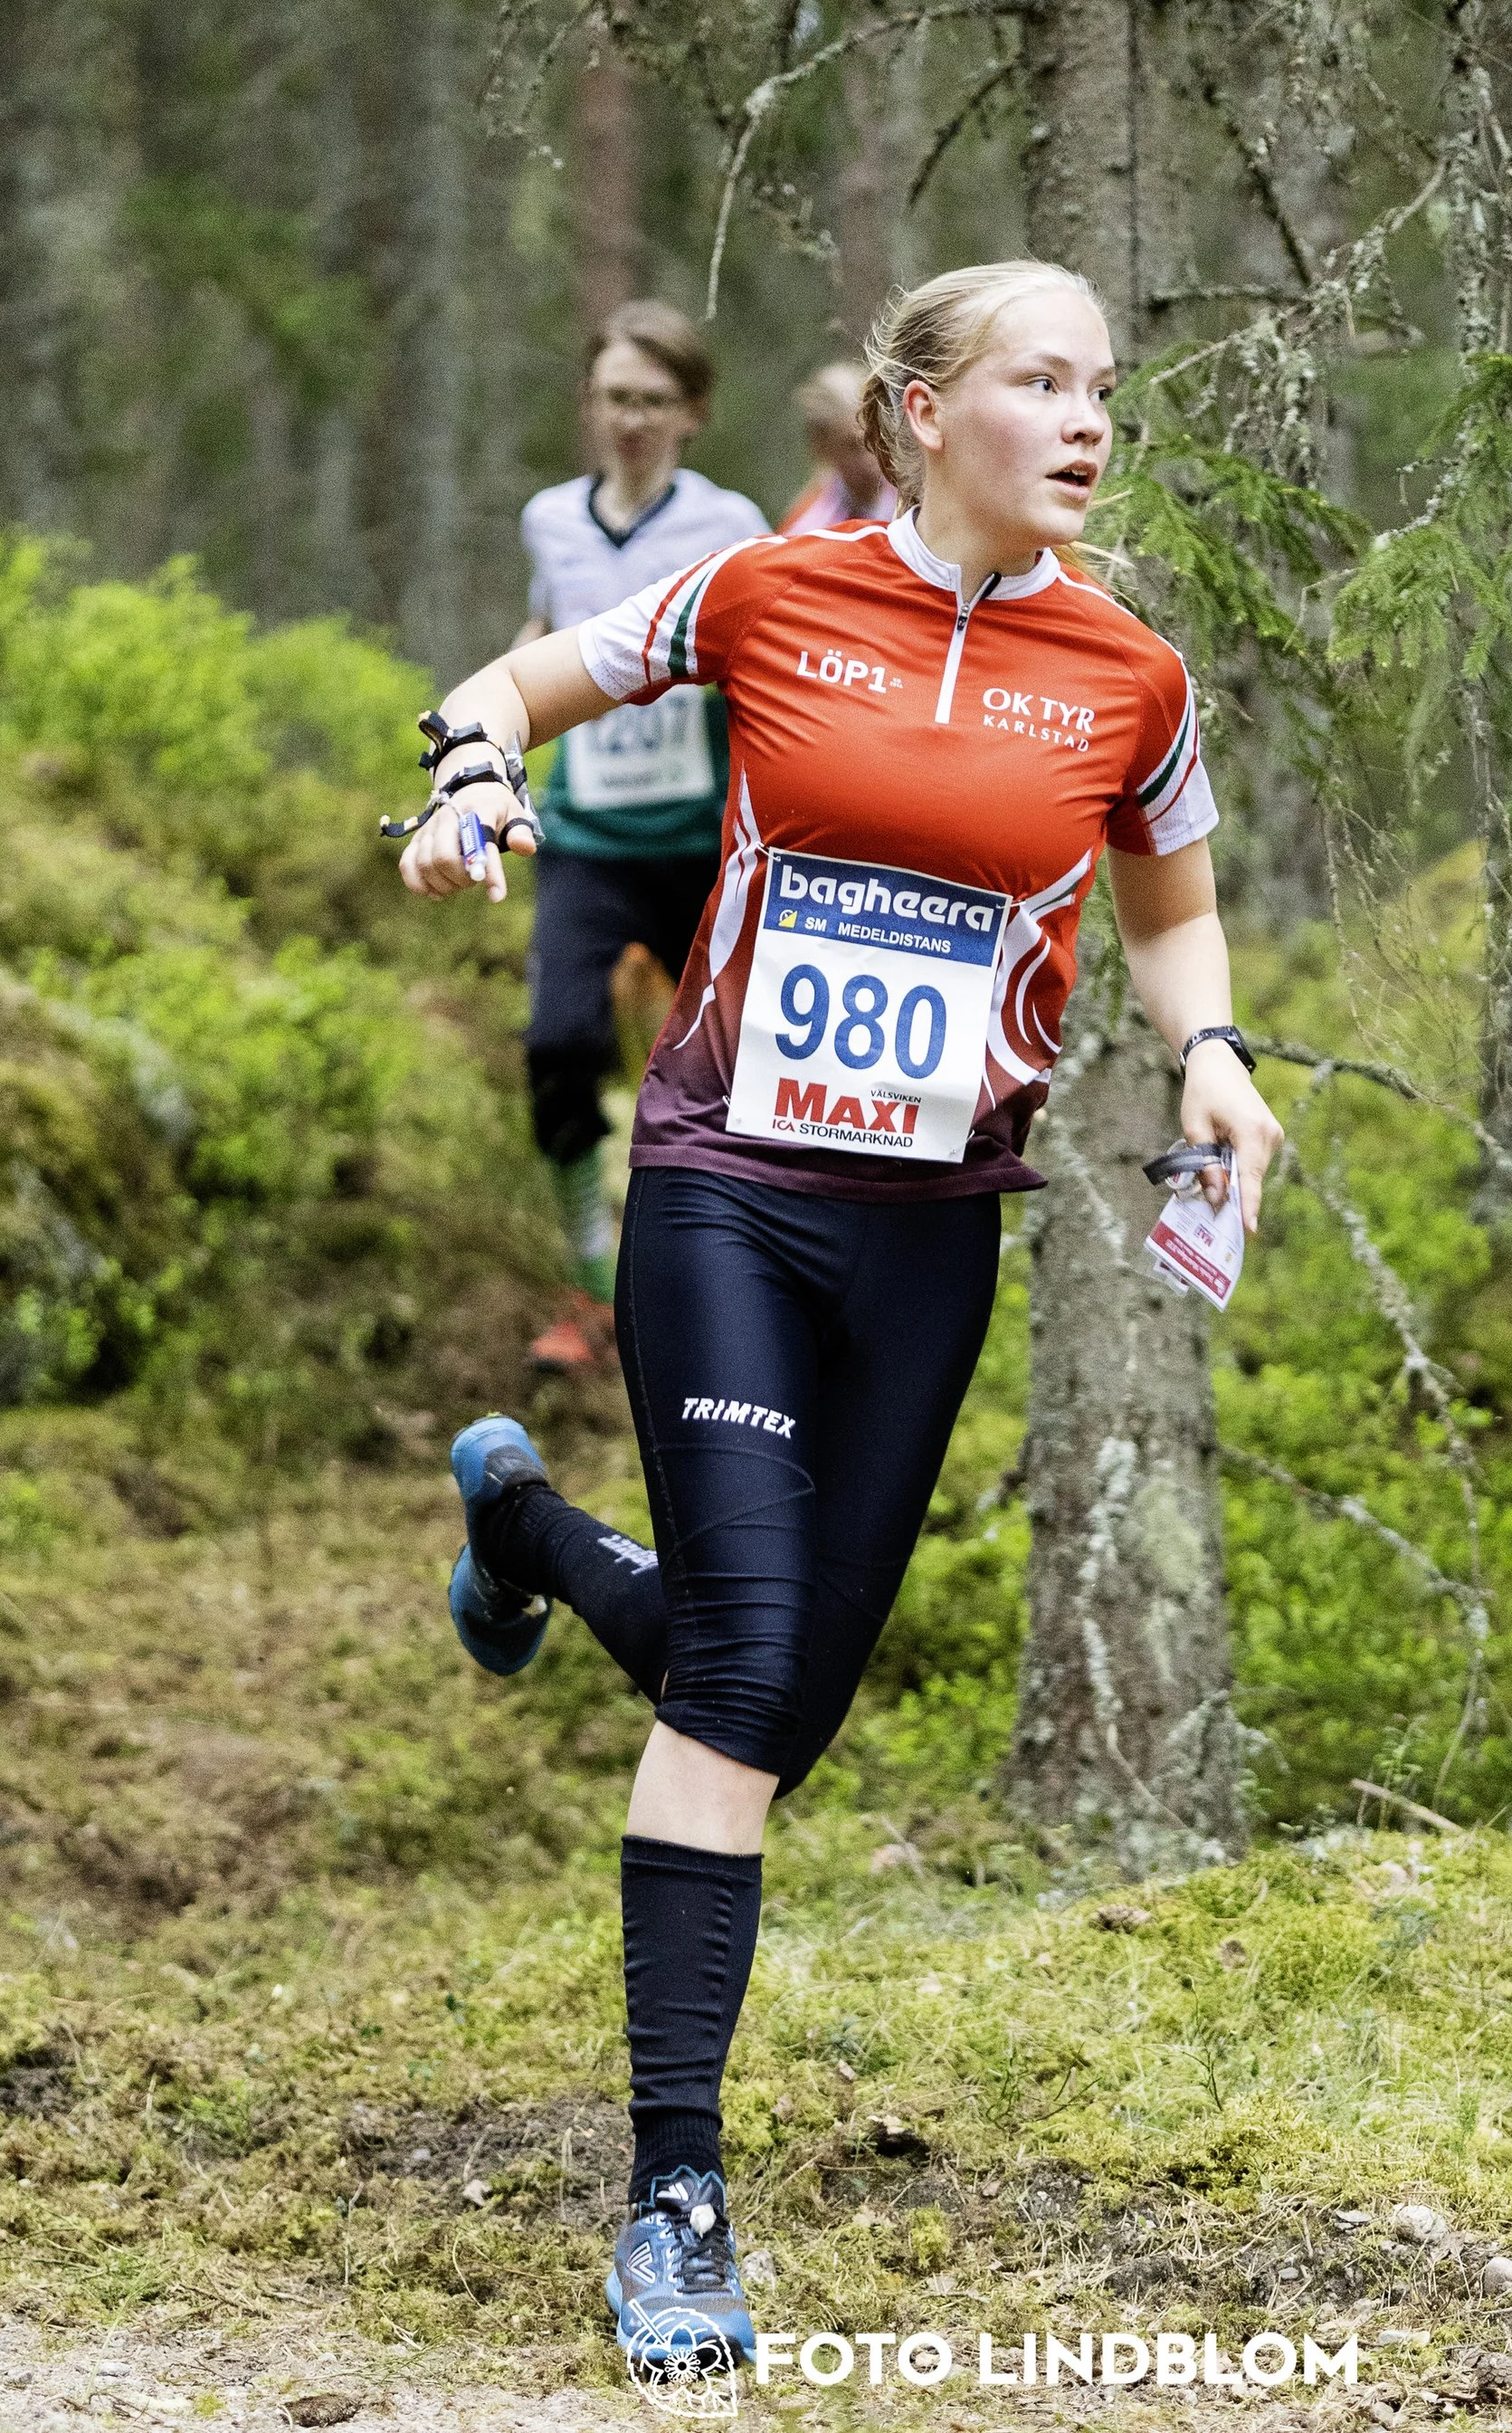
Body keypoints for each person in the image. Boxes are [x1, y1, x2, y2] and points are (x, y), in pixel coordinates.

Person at [395, 259, 1284, 2373]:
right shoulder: (768, 598)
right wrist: (464, 779)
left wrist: (1220, 1049)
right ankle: (675, 2205)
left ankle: (521, 1529)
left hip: (932, 1231)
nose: (1086, 420)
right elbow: (510, 686)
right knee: (743, 1682)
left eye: (1101, 387)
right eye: (1040, 383)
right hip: (724, 1190)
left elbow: (1169, 898)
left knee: (780, 1699)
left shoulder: (1129, 673)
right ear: (924, 412)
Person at [516, 303, 768, 1369]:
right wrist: (489, 753)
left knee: (739, 1070)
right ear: (589, 405)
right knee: (559, 1045)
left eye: (655, 402)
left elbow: (771, 659)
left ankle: (737, 1282)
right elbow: (541, 633)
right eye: (617, 398)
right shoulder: (550, 520)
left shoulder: (733, 524)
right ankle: (589, 1277)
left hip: (701, 844)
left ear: (693, 413)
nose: (633, 421)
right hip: (589, 836)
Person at [777, 359, 897, 531]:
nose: (869, 456)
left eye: (876, 438)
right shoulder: (805, 529)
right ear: (821, 448)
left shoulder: (919, 497)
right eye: (851, 446)